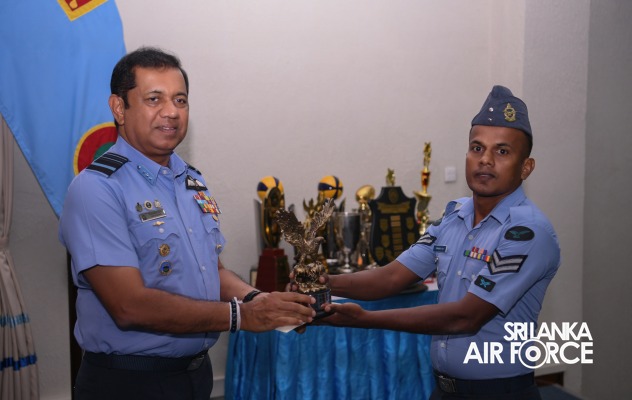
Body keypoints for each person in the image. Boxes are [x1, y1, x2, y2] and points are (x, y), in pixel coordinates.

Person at [59, 47, 316, 400]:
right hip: (129, 382)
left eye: (180, 100)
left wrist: (261, 300)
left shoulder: (190, 180)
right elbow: (128, 305)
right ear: (119, 108)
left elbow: (212, 271)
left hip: (194, 376)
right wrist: (241, 316)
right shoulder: (98, 188)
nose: (171, 111)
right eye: (154, 99)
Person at [318, 85, 561, 399]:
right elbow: (391, 277)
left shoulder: (526, 231)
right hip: (444, 391)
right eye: (477, 148)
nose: (485, 160)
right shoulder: (453, 217)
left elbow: (466, 316)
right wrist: (324, 282)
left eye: (502, 151)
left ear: (526, 167)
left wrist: (365, 319)